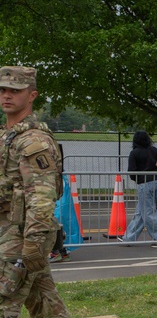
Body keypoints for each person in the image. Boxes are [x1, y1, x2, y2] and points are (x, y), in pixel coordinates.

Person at [0, 66, 69, 316]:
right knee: (43, 299)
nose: (7, 95)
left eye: (16, 91)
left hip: (21, 234)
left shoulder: (34, 141)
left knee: (4, 300)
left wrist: (33, 243)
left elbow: (42, 197)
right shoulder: (9, 136)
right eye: (3, 90)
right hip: (10, 231)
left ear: (32, 95)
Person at [120, 131, 157, 248]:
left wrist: (137, 179)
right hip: (155, 181)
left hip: (144, 183)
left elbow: (132, 171)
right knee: (141, 212)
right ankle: (129, 238)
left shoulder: (134, 153)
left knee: (148, 213)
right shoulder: (153, 150)